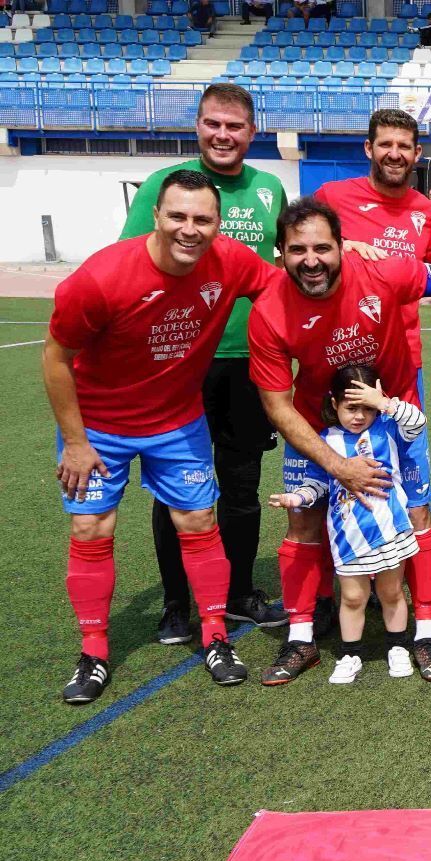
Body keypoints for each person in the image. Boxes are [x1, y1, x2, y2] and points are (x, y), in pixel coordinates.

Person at [247, 197, 431, 685]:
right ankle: (301, 639)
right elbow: (277, 405)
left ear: (343, 246)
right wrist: (337, 465)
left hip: (395, 420)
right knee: (303, 524)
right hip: (317, 427)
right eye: (297, 250)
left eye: (323, 248)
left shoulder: (386, 273)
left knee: (416, 516)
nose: (311, 261)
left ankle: (426, 634)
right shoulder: (268, 312)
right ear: (280, 253)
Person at [45, 170, 280, 704]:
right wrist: (76, 442)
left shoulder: (233, 262)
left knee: (198, 521)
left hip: (176, 421)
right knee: (90, 528)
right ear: (156, 215)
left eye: (202, 219)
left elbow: (281, 285)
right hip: (99, 428)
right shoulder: (101, 278)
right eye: (178, 216)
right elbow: (55, 357)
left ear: (219, 224)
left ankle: (217, 636)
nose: (189, 229)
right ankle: (95, 650)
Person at [121, 84, 289, 644]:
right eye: (213, 123)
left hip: (249, 365)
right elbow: (128, 266)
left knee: (240, 486)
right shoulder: (162, 189)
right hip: (178, 367)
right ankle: (176, 603)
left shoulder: (269, 189)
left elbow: (283, 271)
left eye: (235, 126)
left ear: (252, 132)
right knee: (176, 489)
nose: (223, 135)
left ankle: (240, 592)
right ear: (197, 125)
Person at [312, 109, 431, 638]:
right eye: (385, 144)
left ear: (418, 155)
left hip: (401, 368)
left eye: (405, 146)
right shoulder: (332, 196)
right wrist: (340, 248)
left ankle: (421, 619)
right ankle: (331, 601)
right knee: (328, 488)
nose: (395, 153)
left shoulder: (427, 211)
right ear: (368, 148)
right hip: (336, 364)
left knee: (413, 494)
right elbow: (295, 253)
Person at [267, 367, 426, 685]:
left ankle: (397, 646)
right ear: (334, 404)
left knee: (392, 591)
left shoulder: (388, 429)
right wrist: (297, 498)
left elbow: (417, 422)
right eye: (351, 407)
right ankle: (349, 653)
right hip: (348, 536)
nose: (359, 416)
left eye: (366, 408)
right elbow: (317, 484)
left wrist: (383, 403)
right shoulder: (326, 442)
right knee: (352, 597)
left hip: (390, 530)